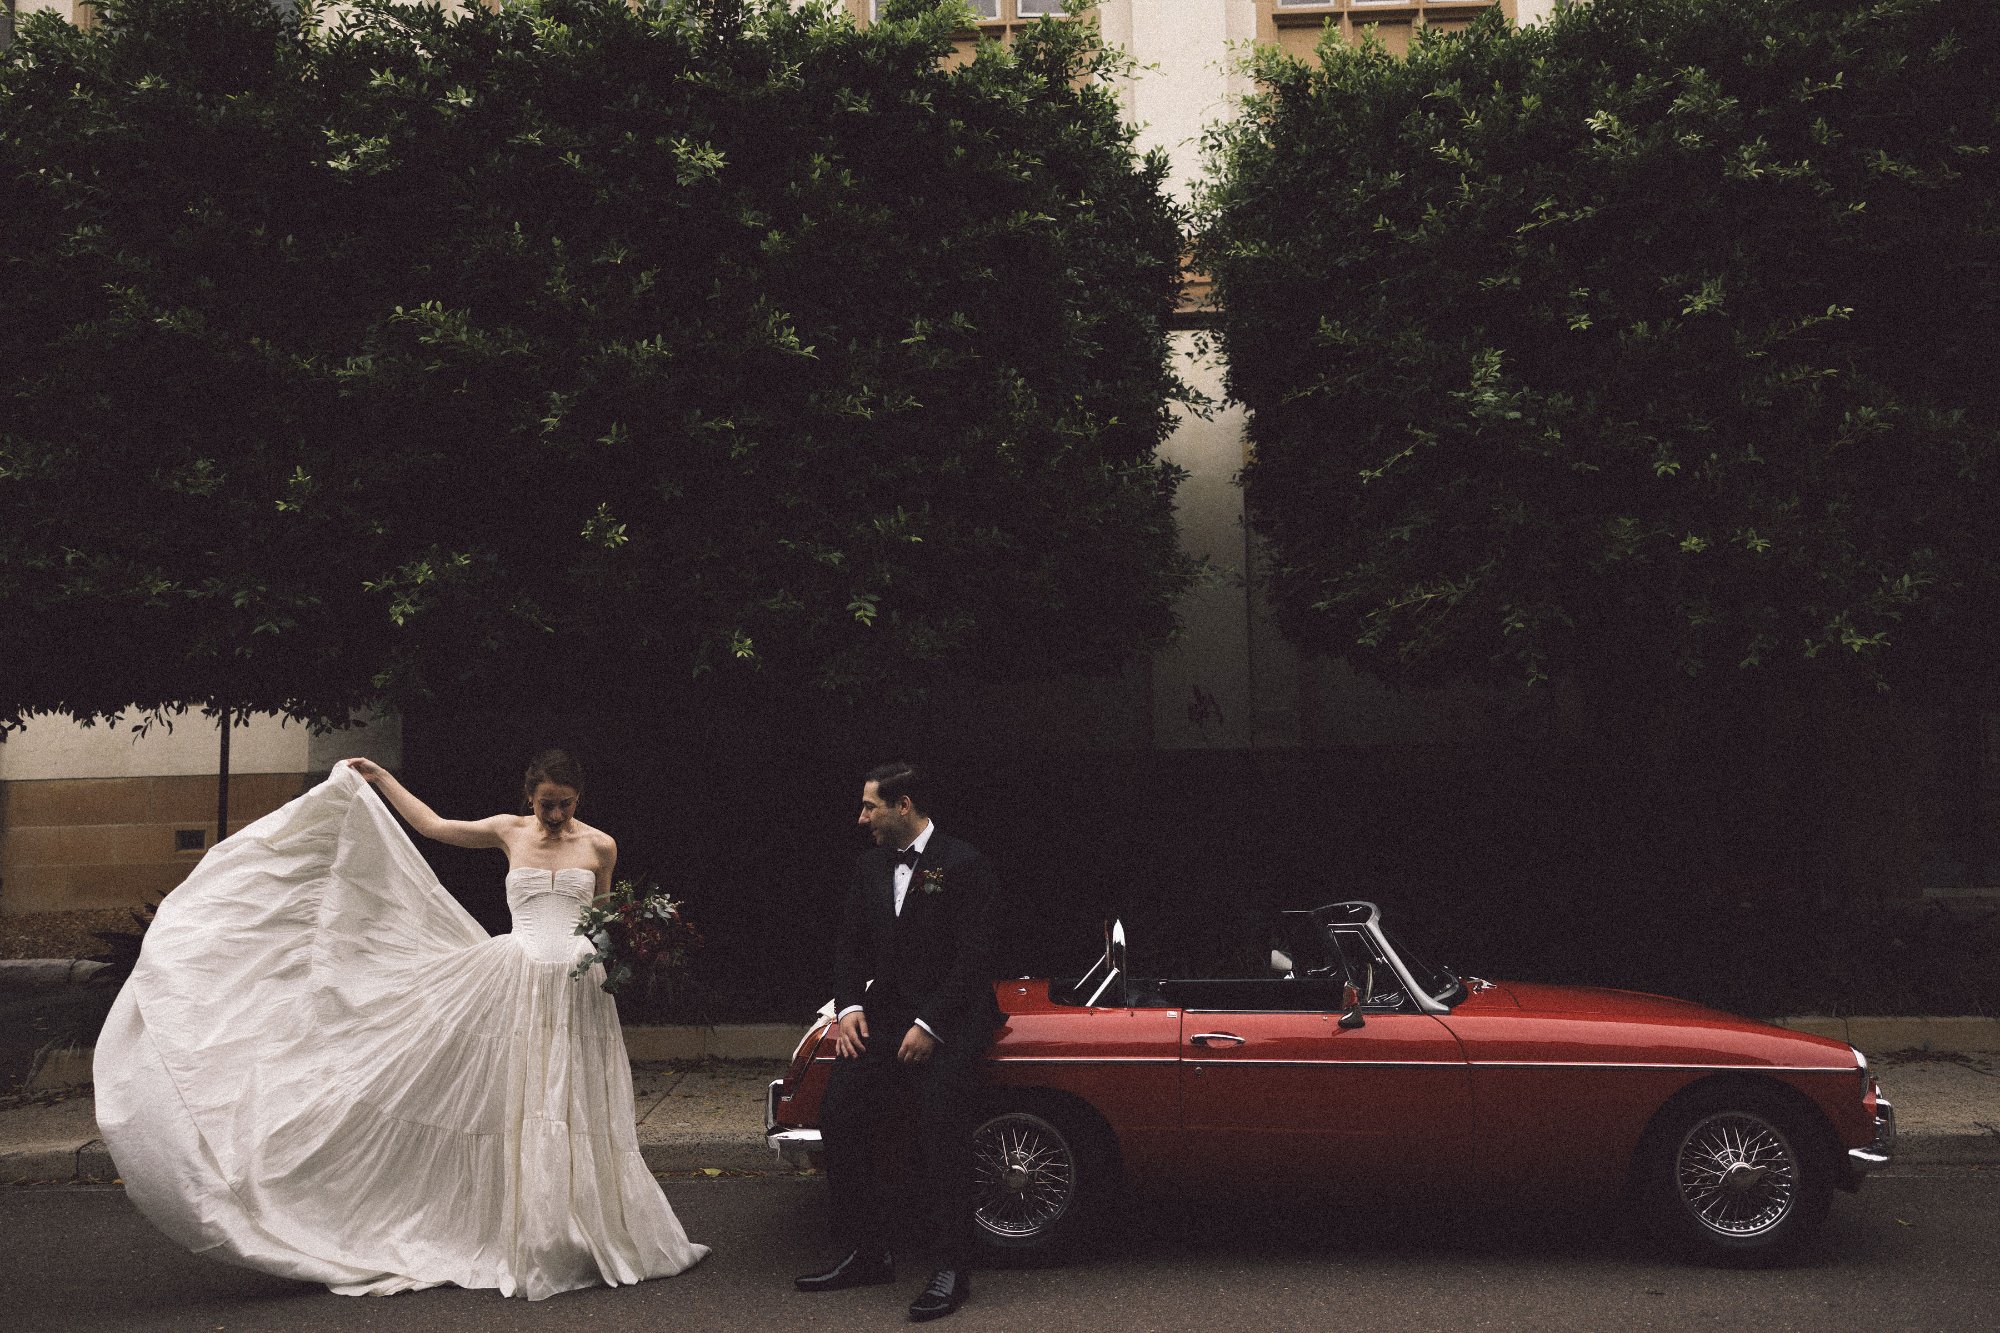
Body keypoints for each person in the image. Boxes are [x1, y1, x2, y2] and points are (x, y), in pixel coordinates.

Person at [92, 750, 708, 1301]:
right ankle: (534, 1233)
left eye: (564, 805)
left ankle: (584, 1227)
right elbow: (434, 828)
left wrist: (625, 946)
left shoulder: (600, 845)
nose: (553, 814)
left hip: (577, 988)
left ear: (579, 801)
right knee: (523, 1099)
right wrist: (382, 778)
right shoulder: (507, 830)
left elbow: (601, 917)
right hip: (518, 975)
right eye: (546, 803)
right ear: (530, 797)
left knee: (572, 1099)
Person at [794, 761, 1003, 1323]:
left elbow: (975, 958)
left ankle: (953, 1268)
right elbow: (848, 949)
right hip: (885, 1018)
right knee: (839, 1116)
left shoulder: (964, 864)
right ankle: (868, 1252)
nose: (861, 818)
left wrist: (930, 1025)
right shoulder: (869, 867)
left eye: (870, 807)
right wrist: (851, 1009)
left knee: (940, 1123)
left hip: (953, 1019)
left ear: (903, 804)